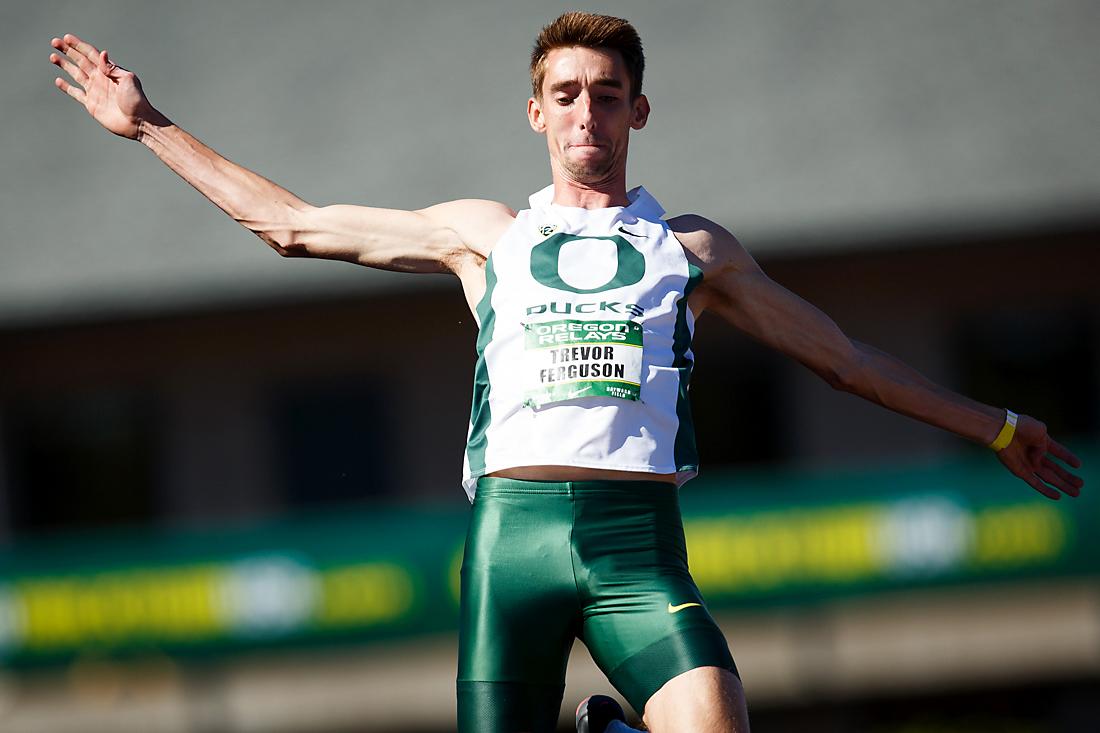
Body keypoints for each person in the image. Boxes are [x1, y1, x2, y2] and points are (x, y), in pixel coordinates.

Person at [49, 12, 1084, 733]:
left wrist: (993, 426)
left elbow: (845, 360)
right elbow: (291, 225)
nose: (585, 113)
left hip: (640, 551)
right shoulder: (480, 237)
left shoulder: (693, 252)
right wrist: (148, 126)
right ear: (534, 114)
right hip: (514, 548)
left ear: (638, 112)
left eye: (607, 94)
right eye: (564, 95)